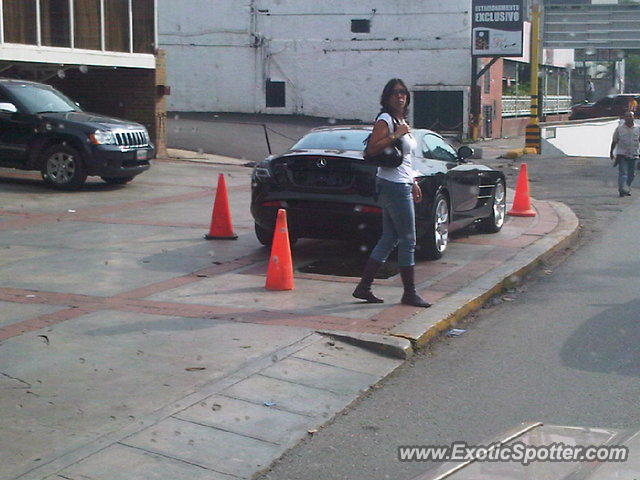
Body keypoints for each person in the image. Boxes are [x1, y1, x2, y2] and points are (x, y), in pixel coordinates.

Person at [352, 79, 430, 308]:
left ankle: (363, 287)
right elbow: (372, 149)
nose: (400, 97)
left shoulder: (401, 121)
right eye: (395, 93)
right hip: (392, 185)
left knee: (390, 237)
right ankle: (410, 293)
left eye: (403, 93)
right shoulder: (386, 120)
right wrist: (396, 134)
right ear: (386, 97)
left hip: (401, 182)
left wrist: (413, 180)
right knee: (408, 239)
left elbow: (406, 159)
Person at [610, 110, 640, 197]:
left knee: (631, 174)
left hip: (634, 154)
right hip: (622, 154)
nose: (628, 118)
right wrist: (611, 152)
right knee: (623, 173)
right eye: (627, 116)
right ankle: (622, 189)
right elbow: (614, 141)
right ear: (624, 118)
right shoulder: (619, 129)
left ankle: (626, 187)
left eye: (630, 116)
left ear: (634, 117)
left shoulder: (638, 129)